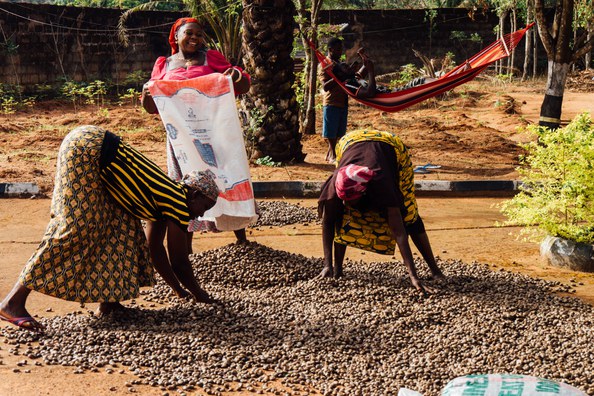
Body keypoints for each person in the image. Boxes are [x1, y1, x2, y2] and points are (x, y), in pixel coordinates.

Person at [0, 125, 220, 332]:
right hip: (88, 149)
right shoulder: (179, 202)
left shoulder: (164, 200)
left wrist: (179, 291)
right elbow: (179, 262)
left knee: (120, 228)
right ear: (195, 194)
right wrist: (201, 295)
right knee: (77, 227)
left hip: (92, 147)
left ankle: (109, 302)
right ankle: (13, 301)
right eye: (205, 206)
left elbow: (155, 250)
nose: (201, 214)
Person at [141, 17, 251, 249]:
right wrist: (146, 93)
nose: (195, 38)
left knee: (224, 178)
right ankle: (187, 246)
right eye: (189, 33)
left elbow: (242, 84)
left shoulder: (210, 58)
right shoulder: (164, 65)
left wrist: (234, 76)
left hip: (214, 134)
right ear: (176, 36)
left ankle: (242, 239)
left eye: (199, 35)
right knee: (185, 189)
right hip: (180, 139)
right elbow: (152, 107)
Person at [317, 129, 444, 294]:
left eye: (350, 200)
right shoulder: (337, 184)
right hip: (349, 142)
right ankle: (337, 270)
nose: (344, 202)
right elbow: (328, 222)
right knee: (342, 213)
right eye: (343, 199)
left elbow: (399, 232)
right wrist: (327, 265)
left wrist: (413, 277)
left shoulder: (382, 185)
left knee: (409, 215)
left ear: (364, 192)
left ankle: (435, 270)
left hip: (392, 146)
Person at [318, 37, 355, 164]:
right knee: (331, 131)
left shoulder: (340, 64)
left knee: (340, 131)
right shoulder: (325, 65)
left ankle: (331, 154)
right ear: (330, 49)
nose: (341, 52)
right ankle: (333, 154)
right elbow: (325, 86)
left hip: (343, 101)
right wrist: (338, 77)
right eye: (338, 49)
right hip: (331, 102)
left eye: (341, 49)